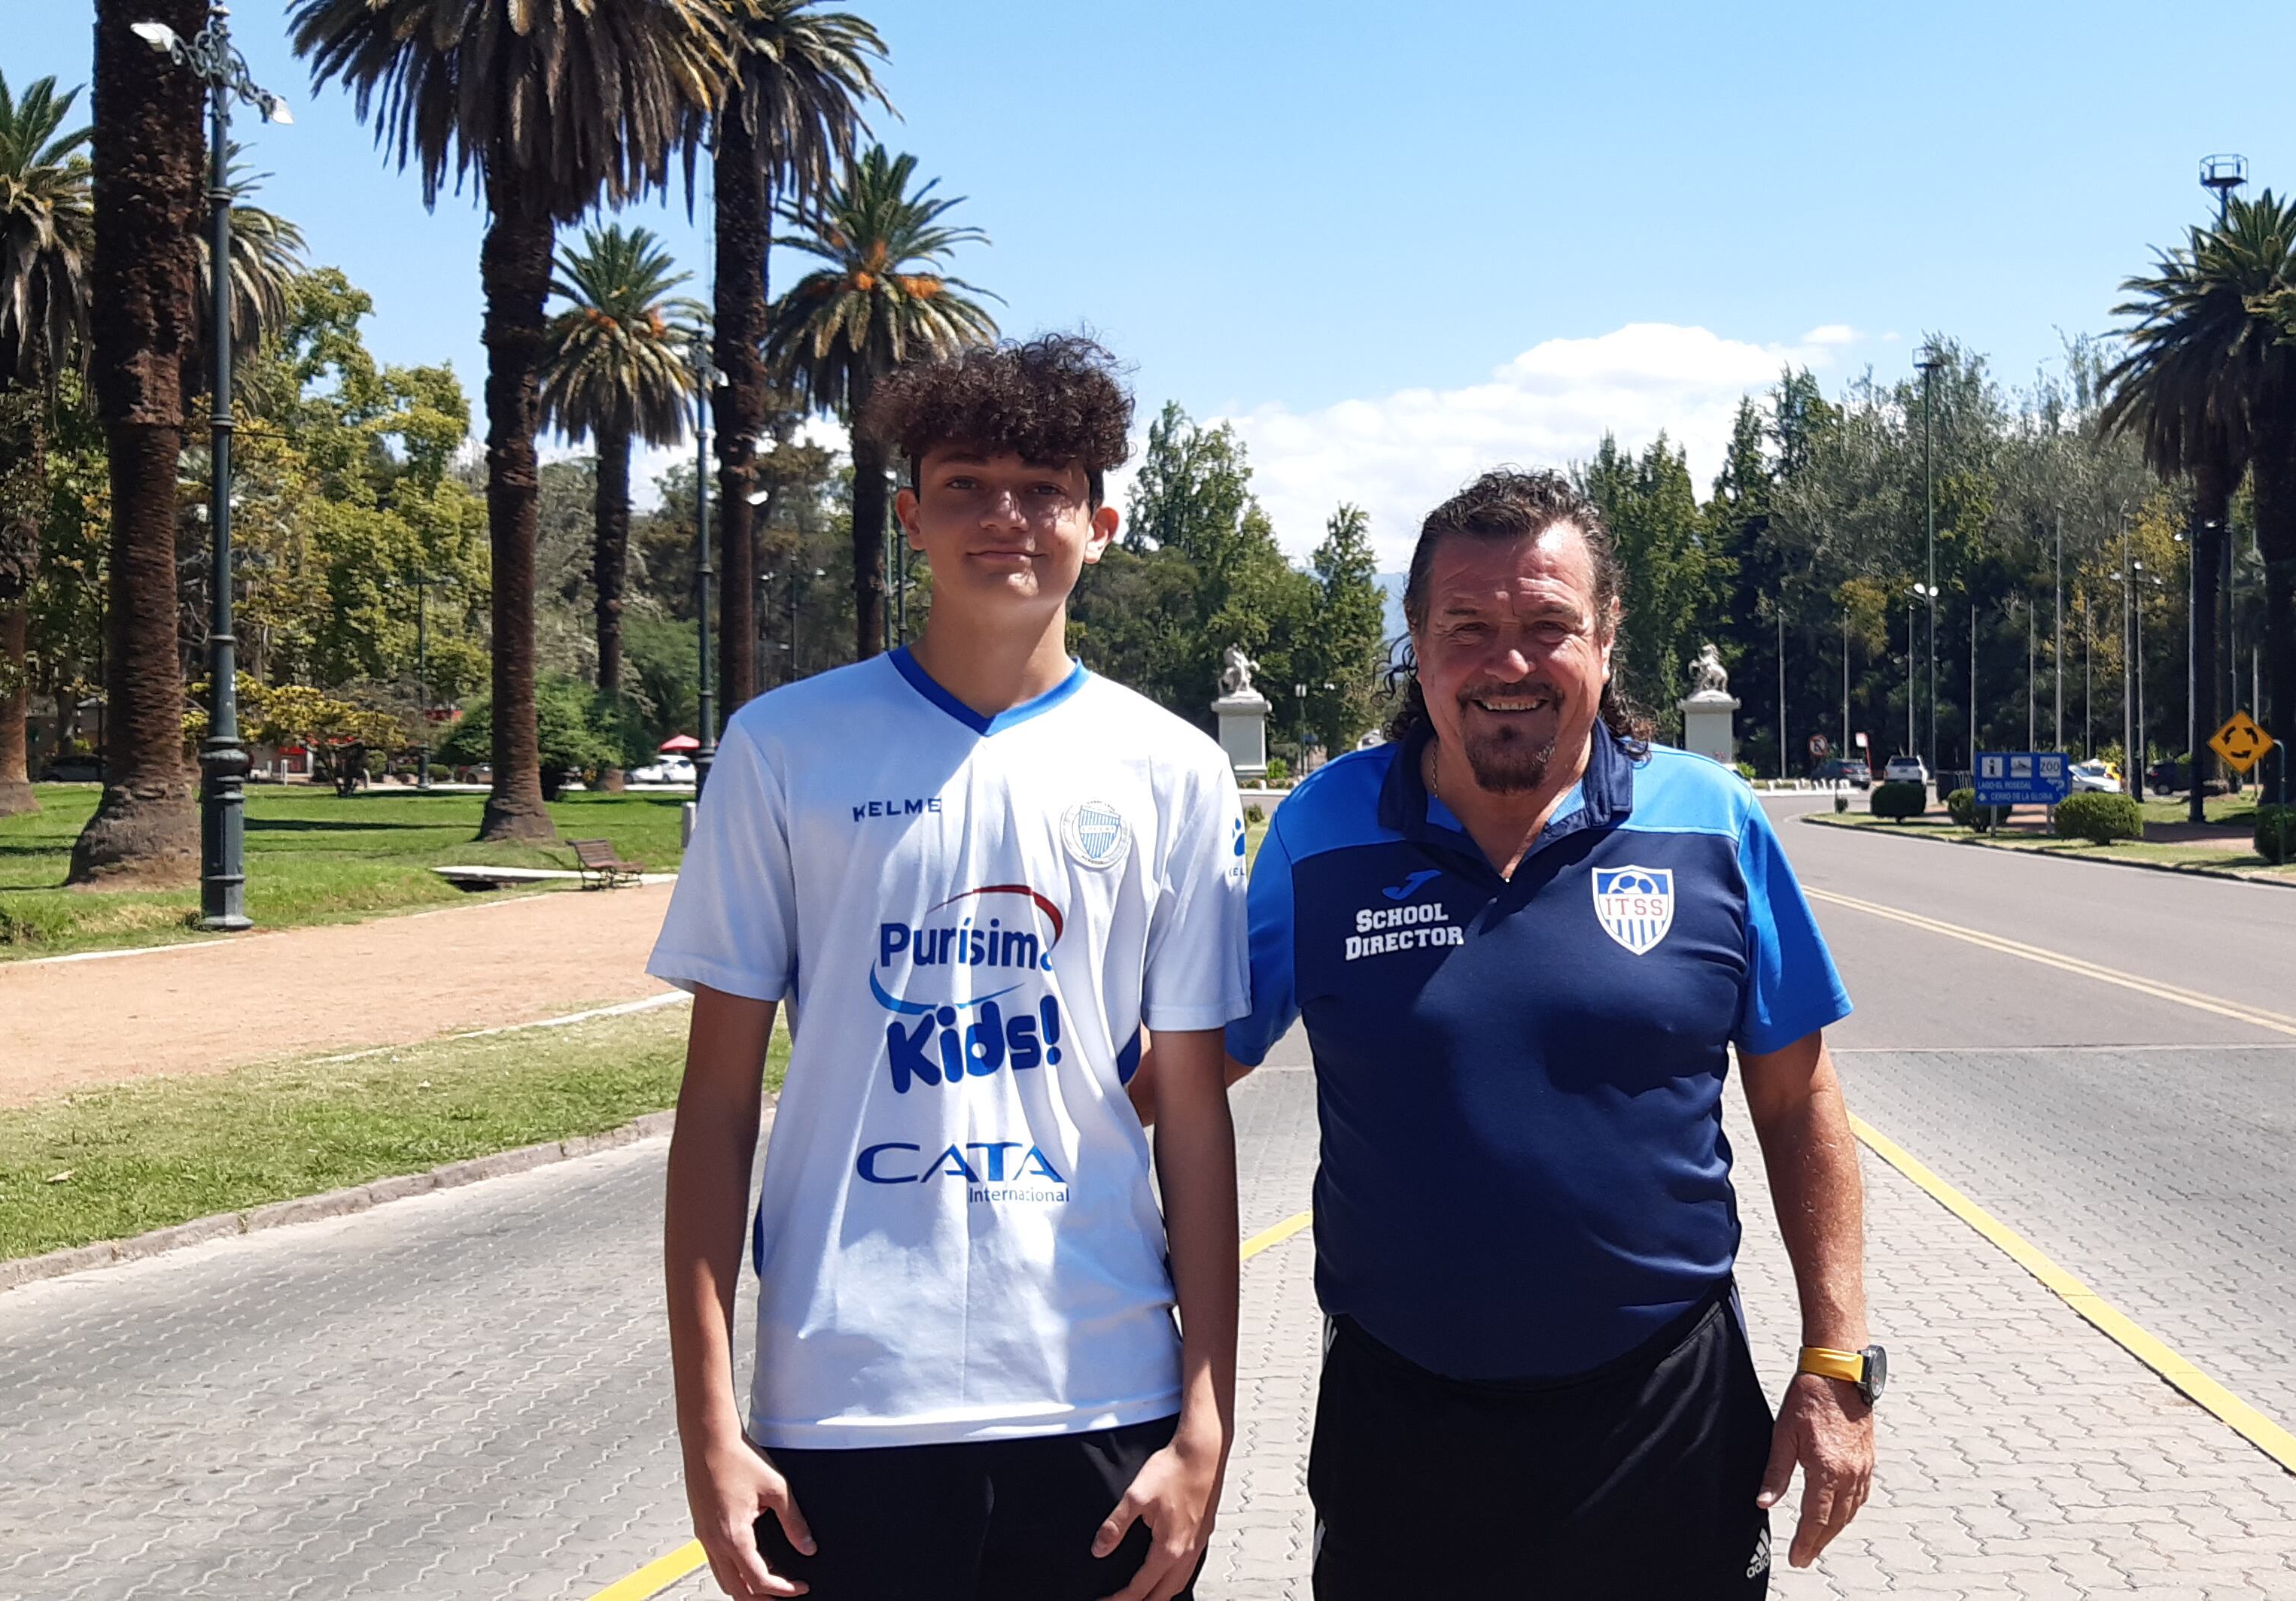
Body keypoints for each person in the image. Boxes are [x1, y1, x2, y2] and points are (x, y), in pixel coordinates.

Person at [650, 335, 1247, 1601]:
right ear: (911, 516)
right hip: (845, 1402)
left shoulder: (1174, 769)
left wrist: (1207, 1418)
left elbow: (1192, 1114)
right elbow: (712, 1113)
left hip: (1102, 1392)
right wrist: (710, 1426)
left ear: (1103, 521)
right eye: (966, 483)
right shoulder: (781, 751)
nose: (1007, 516)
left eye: (1045, 486)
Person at [1227, 469, 1877, 1599]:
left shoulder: (1712, 822)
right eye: (1466, 629)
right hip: (1403, 1414)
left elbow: (1797, 1097)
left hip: (1664, 1412)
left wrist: (1837, 1362)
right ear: (1417, 649)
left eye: (1547, 627)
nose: (1508, 663)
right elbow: (1190, 1064)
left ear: (1608, 638)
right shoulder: (1321, 831)